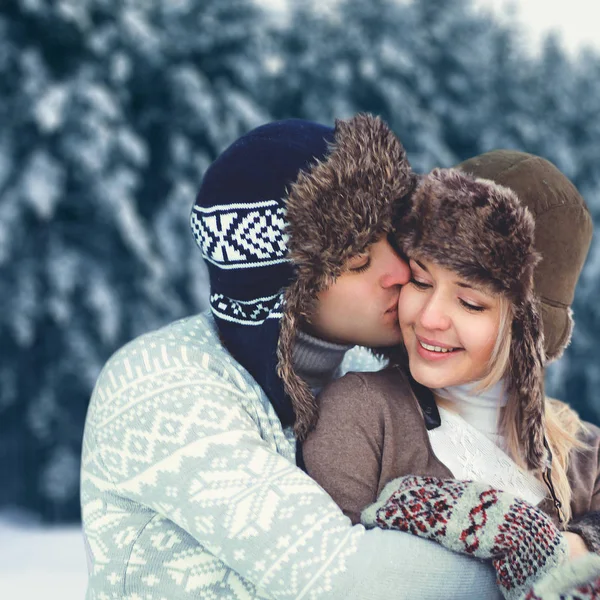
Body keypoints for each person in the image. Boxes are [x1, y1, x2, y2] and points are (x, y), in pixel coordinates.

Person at [80, 114, 501, 599]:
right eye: (357, 261)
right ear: (286, 290)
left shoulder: (364, 379)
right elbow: (347, 581)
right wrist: (542, 563)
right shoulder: (162, 383)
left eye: (390, 237)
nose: (398, 270)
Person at [303, 151, 596, 599]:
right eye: (420, 281)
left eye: (471, 302)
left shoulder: (583, 454)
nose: (430, 317)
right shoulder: (362, 416)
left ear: (526, 333)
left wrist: (572, 548)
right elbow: (319, 582)